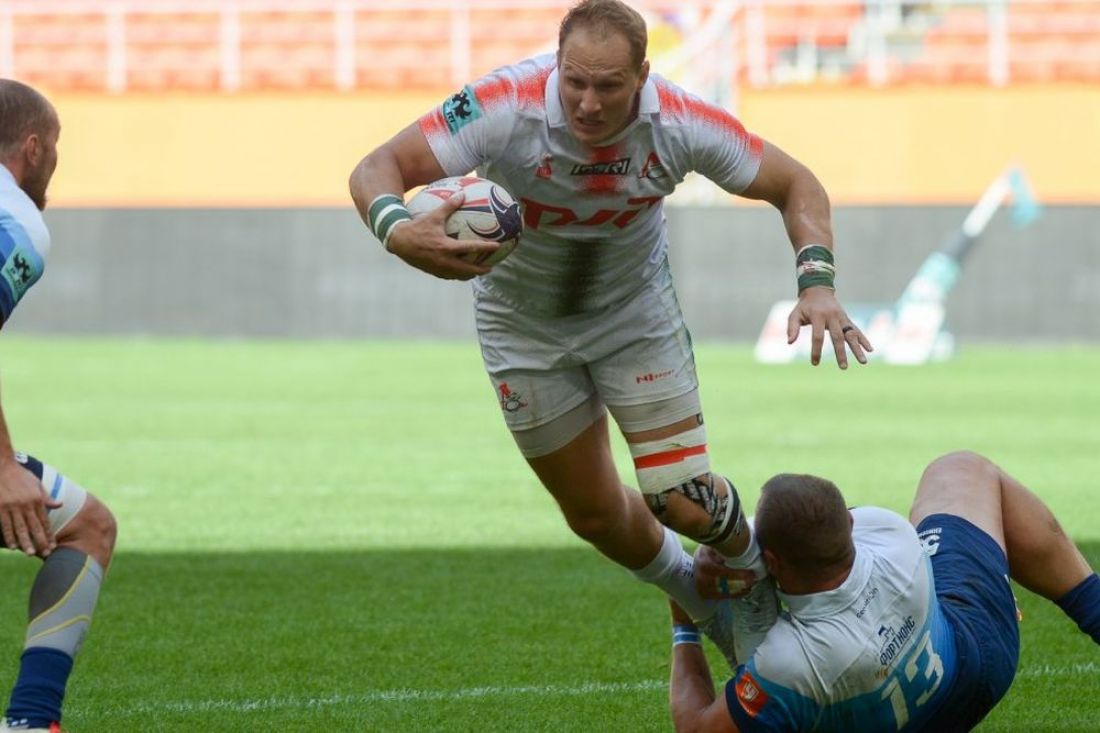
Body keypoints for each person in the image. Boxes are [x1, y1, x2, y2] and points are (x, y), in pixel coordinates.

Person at [349, 0, 872, 665]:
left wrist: (817, 283)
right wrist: (396, 229)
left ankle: (749, 574)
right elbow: (376, 167)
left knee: (680, 501)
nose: (588, 103)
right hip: (521, 326)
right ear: (556, 66)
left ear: (643, 76)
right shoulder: (501, 104)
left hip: (633, 318)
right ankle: (697, 598)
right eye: (574, 82)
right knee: (593, 514)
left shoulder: (680, 121)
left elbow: (796, 183)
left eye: (608, 86)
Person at [667, 450, 1100, 732]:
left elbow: (695, 728)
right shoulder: (891, 534)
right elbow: (815, 531)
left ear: (772, 562)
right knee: (962, 468)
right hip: (984, 659)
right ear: (850, 523)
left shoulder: (790, 661)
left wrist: (684, 620)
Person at [0, 80, 117, 733]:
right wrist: (1, 465)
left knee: (85, 521)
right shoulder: (14, 217)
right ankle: (30, 721)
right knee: (84, 529)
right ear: (34, 147)